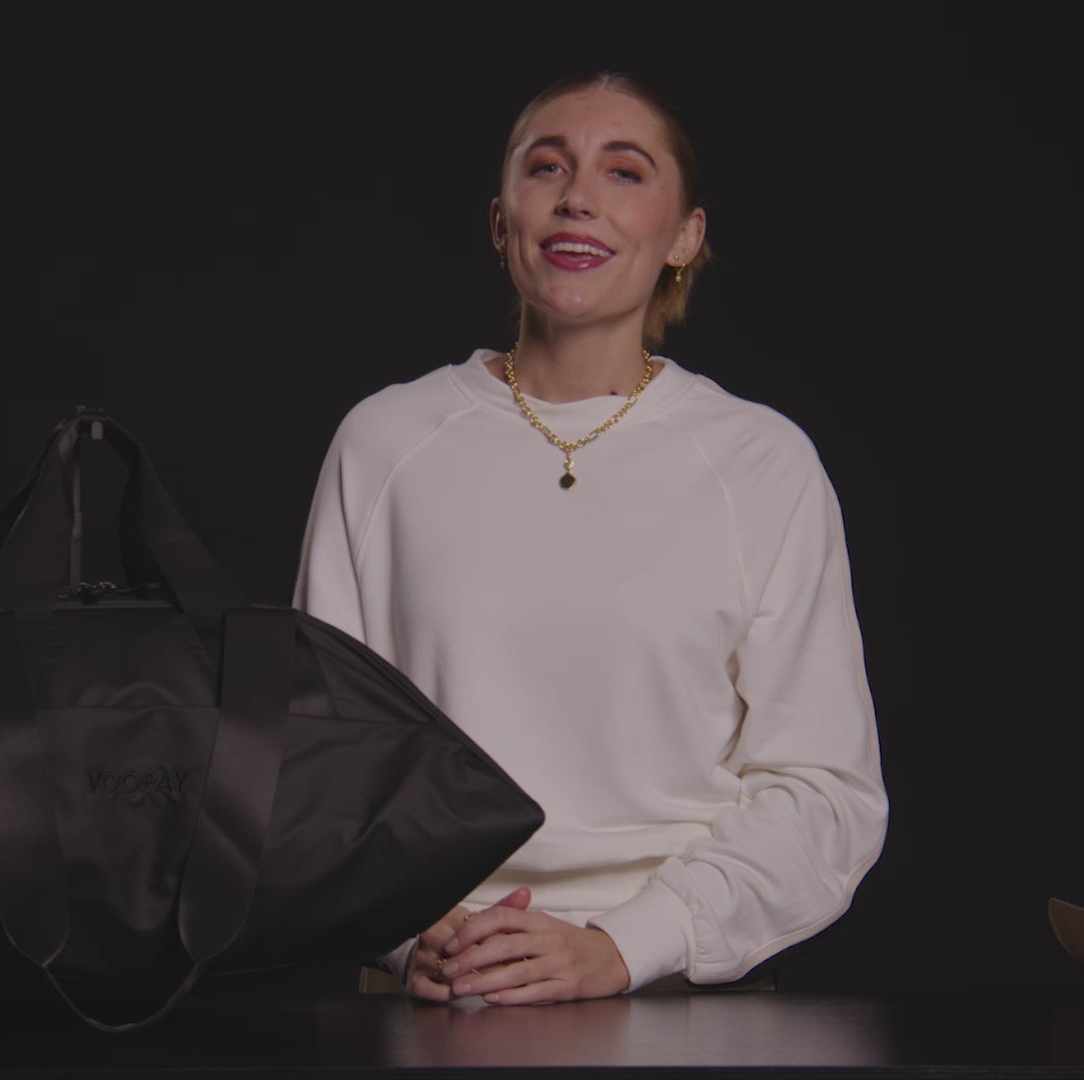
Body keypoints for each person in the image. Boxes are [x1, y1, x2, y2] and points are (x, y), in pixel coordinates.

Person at [293, 71, 887, 1005]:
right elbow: (316, 755)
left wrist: (622, 945)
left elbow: (824, 793)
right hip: (437, 989)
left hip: (676, 996)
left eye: (624, 171)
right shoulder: (384, 443)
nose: (578, 197)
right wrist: (408, 931)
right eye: (547, 167)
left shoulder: (761, 463)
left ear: (685, 234)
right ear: (502, 221)